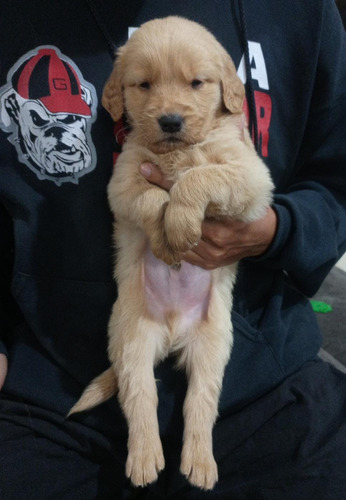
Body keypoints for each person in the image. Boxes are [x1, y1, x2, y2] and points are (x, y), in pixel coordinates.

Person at [0, 0, 346, 498]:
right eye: (144, 86)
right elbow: (123, 193)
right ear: (118, 93)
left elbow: (322, 182)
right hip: (47, 384)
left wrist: (276, 229)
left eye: (194, 84)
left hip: (264, 378)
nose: (167, 108)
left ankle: (195, 438)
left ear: (229, 85)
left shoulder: (302, 13)